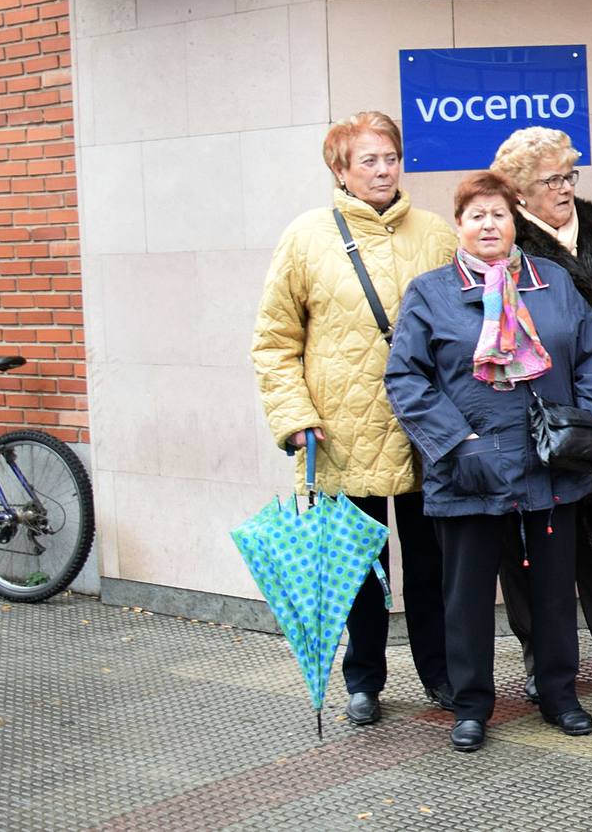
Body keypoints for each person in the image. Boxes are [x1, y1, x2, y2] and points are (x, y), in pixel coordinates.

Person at [385, 171, 592, 753]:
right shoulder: (431, 292)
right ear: (458, 226)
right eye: (476, 215)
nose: (490, 225)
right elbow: (405, 378)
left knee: (556, 591)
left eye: (500, 214)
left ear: (516, 222)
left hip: (549, 465)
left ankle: (560, 693)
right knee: (465, 596)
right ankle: (471, 705)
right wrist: (457, 443)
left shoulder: (553, 281)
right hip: (468, 467)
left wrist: (583, 425)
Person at [251, 110, 455, 727]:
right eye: (367, 159)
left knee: (431, 565)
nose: (383, 169)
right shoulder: (307, 236)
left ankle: (441, 674)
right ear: (340, 169)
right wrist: (295, 418)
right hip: (340, 433)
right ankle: (363, 680)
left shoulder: (437, 233)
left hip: (425, 429)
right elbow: (274, 340)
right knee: (358, 569)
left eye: (390, 156)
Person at [490, 128, 592, 701]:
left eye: (569, 176)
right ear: (518, 191)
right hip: (535, 411)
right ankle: (541, 661)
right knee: (529, 548)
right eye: (550, 180)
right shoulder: (506, 241)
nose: (564, 188)